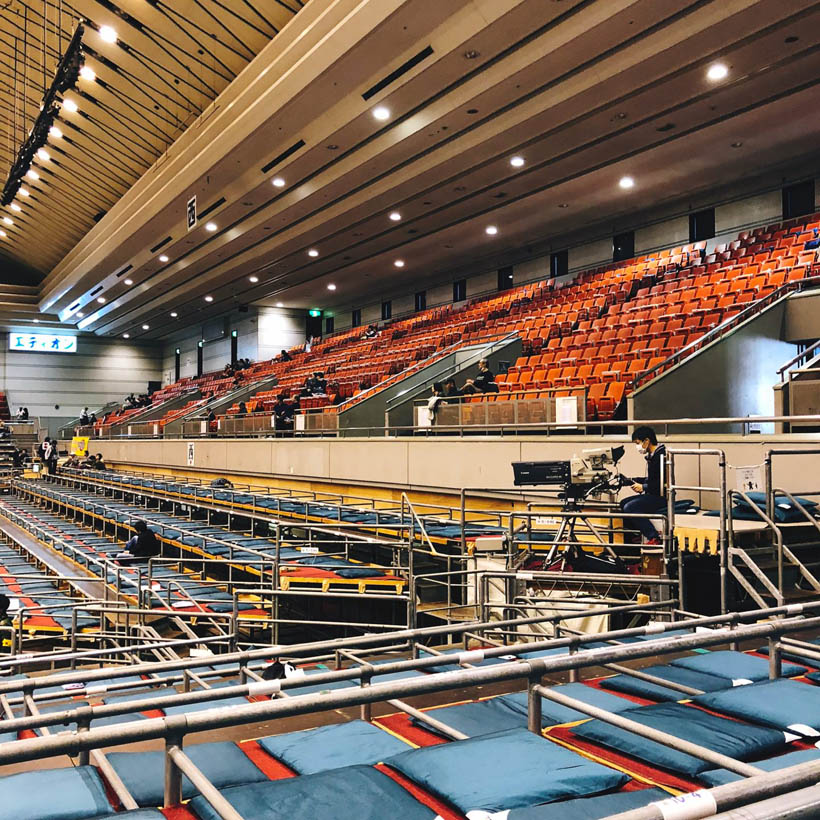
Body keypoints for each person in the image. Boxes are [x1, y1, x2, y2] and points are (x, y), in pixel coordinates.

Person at [620, 425, 667, 545]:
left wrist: (643, 487)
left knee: (630, 507)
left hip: (659, 497)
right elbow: (652, 479)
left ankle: (653, 537)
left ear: (647, 441)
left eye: (638, 443)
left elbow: (661, 483)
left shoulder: (661, 456)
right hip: (653, 494)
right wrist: (632, 480)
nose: (637, 447)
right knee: (623, 503)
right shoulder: (654, 456)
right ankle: (636, 534)